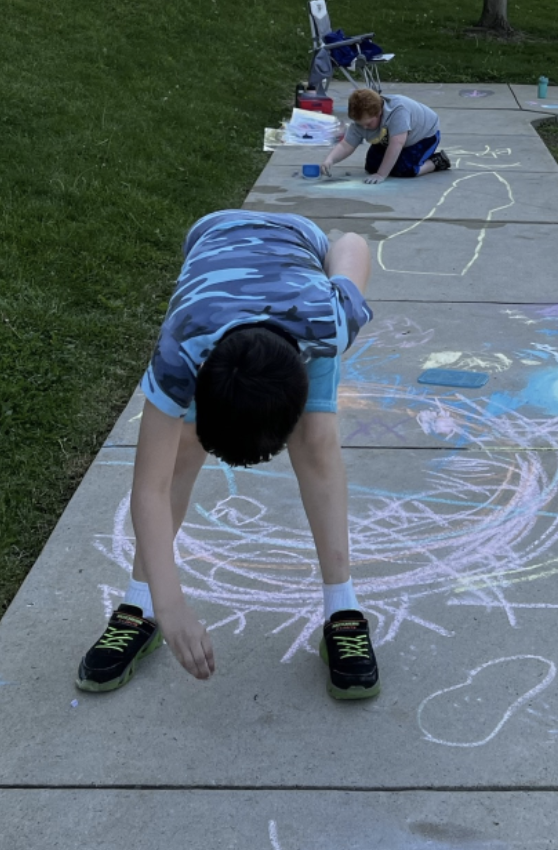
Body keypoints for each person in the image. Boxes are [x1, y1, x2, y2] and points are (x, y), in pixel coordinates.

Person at [76, 210, 380, 700]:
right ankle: (141, 604)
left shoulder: (330, 318)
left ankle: (342, 607)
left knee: (317, 440)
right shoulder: (180, 349)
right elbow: (149, 487)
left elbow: (352, 242)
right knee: (180, 451)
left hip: (297, 255)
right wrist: (170, 605)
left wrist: (332, 262)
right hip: (212, 235)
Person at [322, 88, 451, 184]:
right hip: (390, 138)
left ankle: (437, 162)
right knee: (371, 166)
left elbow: (397, 144)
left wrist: (381, 174)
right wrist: (330, 160)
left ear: (379, 113)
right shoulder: (362, 120)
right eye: (360, 125)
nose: (364, 128)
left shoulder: (397, 112)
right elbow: (346, 145)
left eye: (367, 124)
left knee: (404, 169)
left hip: (423, 136)